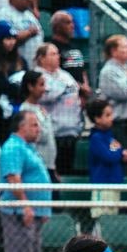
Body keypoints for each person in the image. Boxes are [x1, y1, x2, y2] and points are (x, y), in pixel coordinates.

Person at [0, 109, 52, 252]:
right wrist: (25, 205)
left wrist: (43, 209)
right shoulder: (13, 147)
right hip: (19, 212)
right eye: (34, 125)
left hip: (36, 212)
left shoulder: (29, 148)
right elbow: (14, 178)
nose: (38, 129)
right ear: (21, 127)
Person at [34, 42, 82, 175]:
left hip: (70, 132)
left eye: (57, 53)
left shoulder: (65, 75)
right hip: (51, 134)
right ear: (41, 58)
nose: (58, 56)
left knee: (67, 173)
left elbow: (76, 94)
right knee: (51, 173)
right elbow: (46, 96)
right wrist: (62, 87)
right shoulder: (37, 76)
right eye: (53, 54)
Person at [96, 35, 127, 149]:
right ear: (113, 51)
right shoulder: (108, 72)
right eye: (125, 47)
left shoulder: (124, 69)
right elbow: (126, 93)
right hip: (116, 125)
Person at [86, 98, 127, 209]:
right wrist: (120, 152)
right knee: (101, 216)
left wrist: (120, 151)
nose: (111, 118)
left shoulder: (110, 137)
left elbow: (115, 151)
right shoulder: (96, 138)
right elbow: (109, 156)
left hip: (115, 183)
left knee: (113, 217)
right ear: (97, 119)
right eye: (107, 115)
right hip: (102, 185)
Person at [0, 0, 41, 70]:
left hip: (34, 66)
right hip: (17, 66)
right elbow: (6, 40)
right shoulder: (4, 14)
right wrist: (29, 33)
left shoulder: (29, 14)